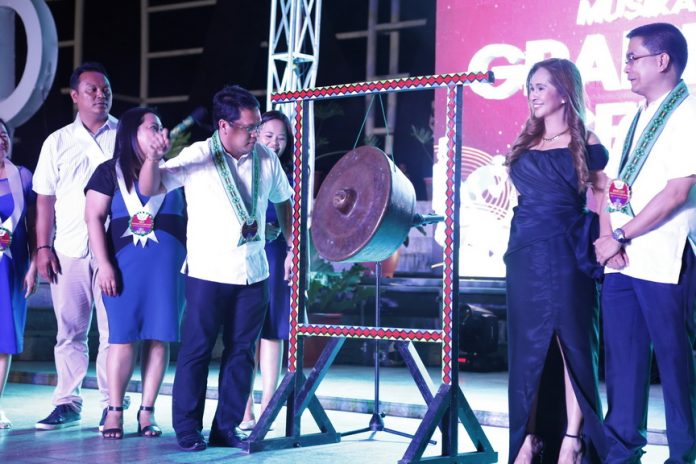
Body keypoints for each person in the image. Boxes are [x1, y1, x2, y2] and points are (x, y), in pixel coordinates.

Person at [139, 84, 293, 451]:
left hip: (253, 272)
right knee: (197, 351)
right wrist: (152, 159)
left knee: (241, 353)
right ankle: (188, 428)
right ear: (224, 126)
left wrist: (290, 245)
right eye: (249, 128)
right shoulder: (197, 156)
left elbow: (285, 201)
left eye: (258, 127)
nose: (257, 135)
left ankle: (227, 427)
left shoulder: (266, 159)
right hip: (207, 273)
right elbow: (150, 186)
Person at [594, 22, 696, 463]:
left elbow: (678, 191)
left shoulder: (689, 113)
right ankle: (621, 454)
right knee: (623, 366)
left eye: (633, 58)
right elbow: (611, 186)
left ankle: (685, 455)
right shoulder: (634, 117)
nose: (626, 67)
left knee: (675, 367)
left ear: (662, 61)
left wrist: (619, 235)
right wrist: (606, 240)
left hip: (665, 258)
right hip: (622, 260)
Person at [504, 58, 608, 463]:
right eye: (530, 86)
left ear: (565, 91)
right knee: (527, 347)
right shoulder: (525, 142)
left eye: (542, 86)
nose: (533, 93)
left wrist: (607, 242)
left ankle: (572, 438)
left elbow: (602, 201)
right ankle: (526, 440)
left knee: (573, 343)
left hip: (568, 249)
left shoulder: (587, 140)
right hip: (524, 253)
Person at [84, 107, 186, 439]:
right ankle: (115, 409)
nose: (160, 132)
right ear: (132, 133)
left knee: (159, 337)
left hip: (167, 270)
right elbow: (93, 220)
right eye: (152, 127)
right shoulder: (107, 172)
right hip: (123, 268)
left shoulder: (173, 173)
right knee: (121, 338)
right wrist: (105, 265)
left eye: (161, 127)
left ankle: (148, 411)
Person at [32, 62, 118, 430]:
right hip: (68, 248)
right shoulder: (57, 141)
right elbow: (44, 199)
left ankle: (111, 403)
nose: (101, 95)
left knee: (115, 332)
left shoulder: (126, 135)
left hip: (116, 249)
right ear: (75, 96)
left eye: (105, 89)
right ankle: (67, 400)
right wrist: (42, 248)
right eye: (92, 90)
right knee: (69, 331)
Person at [241, 110, 293, 430]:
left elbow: (296, 221)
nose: (275, 143)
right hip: (246, 254)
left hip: (277, 255)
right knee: (246, 332)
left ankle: (268, 404)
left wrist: (291, 251)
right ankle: (243, 409)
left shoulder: (291, 174)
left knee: (273, 328)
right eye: (269, 136)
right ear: (256, 135)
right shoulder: (242, 167)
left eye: (282, 138)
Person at [0, 118, 38, 429]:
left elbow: (36, 225)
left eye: (3, 134)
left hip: (12, 268)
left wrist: (35, 265)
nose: (1, 140)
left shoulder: (22, 177)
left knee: (5, 338)